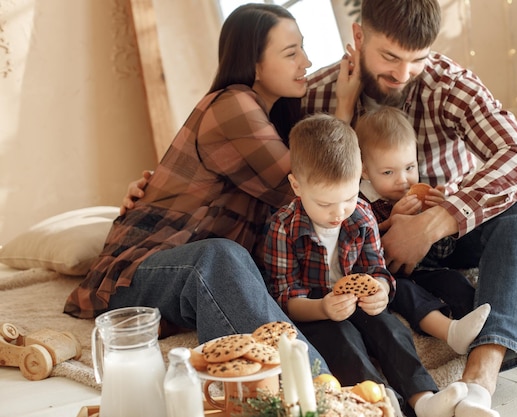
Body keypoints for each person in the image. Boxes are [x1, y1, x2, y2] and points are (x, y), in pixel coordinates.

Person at [63, 3, 360, 368]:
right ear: (254, 64)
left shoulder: (272, 118)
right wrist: (343, 111)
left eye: (302, 47)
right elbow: (309, 196)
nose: (306, 61)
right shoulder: (232, 106)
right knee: (218, 256)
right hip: (135, 274)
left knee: (237, 264)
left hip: (185, 278)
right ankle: (317, 392)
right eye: (291, 52)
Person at [302, 0, 517, 415]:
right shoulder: (318, 93)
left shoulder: (447, 85)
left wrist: (434, 222)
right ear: (358, 37)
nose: (402, 74)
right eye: (389, 57)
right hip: (365, 244)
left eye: (417, 59)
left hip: (446, 236)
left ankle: (479, 381)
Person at [264, 113, 469, 417]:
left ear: (359, 178)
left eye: (347, 197)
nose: (338, 213)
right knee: (344, 342)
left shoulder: (360, 214)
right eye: (324, 203)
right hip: (314, 311)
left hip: (359, 303)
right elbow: (285, 297)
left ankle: (423, 399)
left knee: (391, 330)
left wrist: (381, 291)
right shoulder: (283, 228)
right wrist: (322, 308)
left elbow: (377, 270)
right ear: (296, 185)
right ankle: (378, 406)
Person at [354, 106, 491, 355]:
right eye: (388, 172)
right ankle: (448, 331)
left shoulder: (422, 194)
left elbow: (442, 254)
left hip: (428, 270)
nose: (403, 180)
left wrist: (441, 221)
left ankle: (483, 332)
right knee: (407, 294)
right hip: (391, 279)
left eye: (409, 167)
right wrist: (391, 221)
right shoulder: (360, 204)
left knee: (454, 280)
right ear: (364, 171)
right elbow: (362, 258)